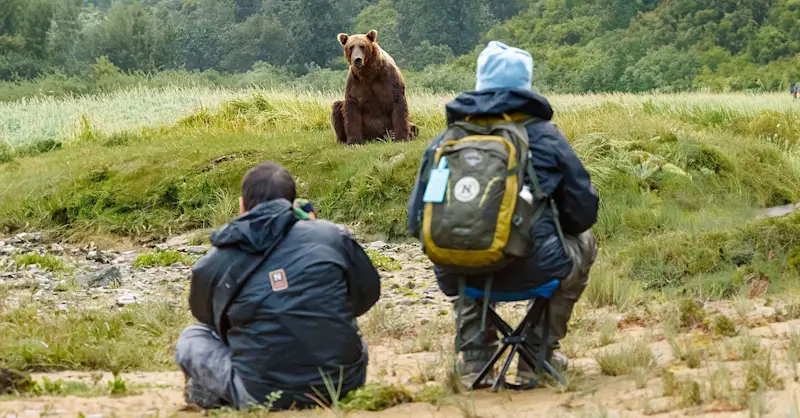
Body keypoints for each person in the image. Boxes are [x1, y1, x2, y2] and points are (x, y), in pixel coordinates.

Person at [407, 41, 599, 386]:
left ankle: (475, 360)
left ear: (480, 81)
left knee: (460, 244)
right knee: (585, 241)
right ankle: (537, 356)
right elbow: (582, 212)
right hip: (535, 269)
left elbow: (415, 221)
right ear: (526, 85)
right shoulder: (544, 136)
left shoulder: (445, 141)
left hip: (457, 275)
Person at [175, 161, 381, 410]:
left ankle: (216, 395)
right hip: (343, 384)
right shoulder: (333, 236)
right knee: (352, 335)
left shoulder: (217, 259)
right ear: (293, 203)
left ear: (242, 206)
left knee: (192, 336)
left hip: (261, 394)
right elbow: (367, 295)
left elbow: (205, 316)